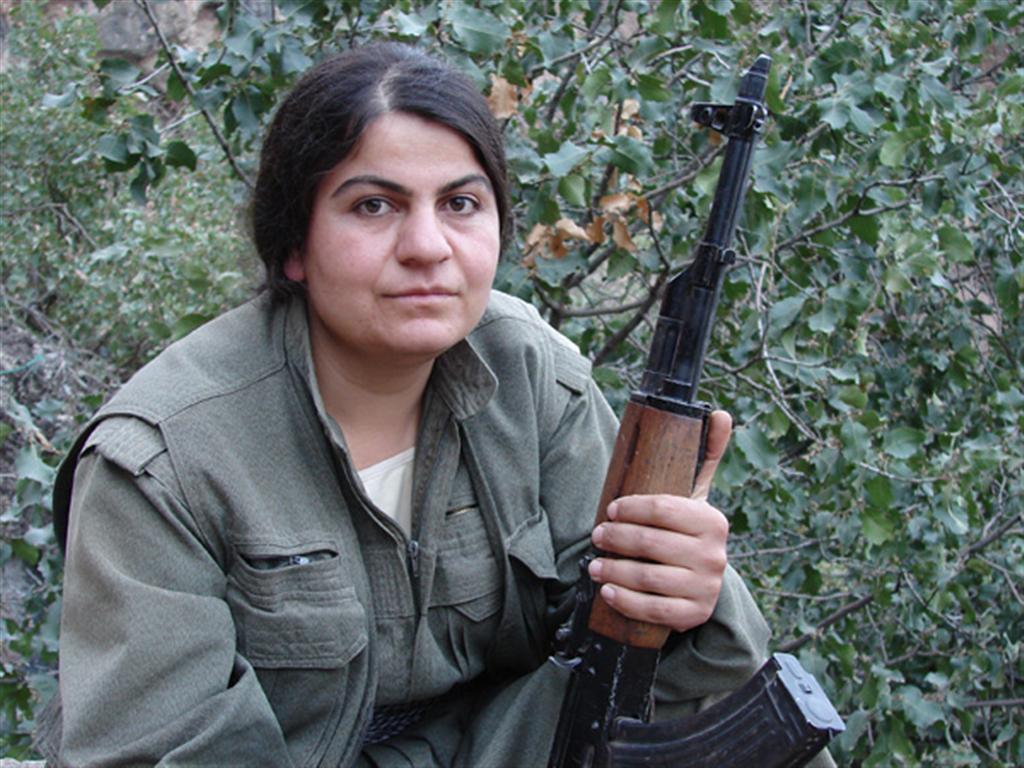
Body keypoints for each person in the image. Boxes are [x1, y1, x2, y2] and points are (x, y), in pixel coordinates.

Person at [37, 42, 776, 767]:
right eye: (374, 206)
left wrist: (684, 589)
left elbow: (651, 668)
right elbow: (160, 747)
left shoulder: (533, 376)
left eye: (460, 204)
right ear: (294, 245)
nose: (428, 246)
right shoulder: (161, 461)